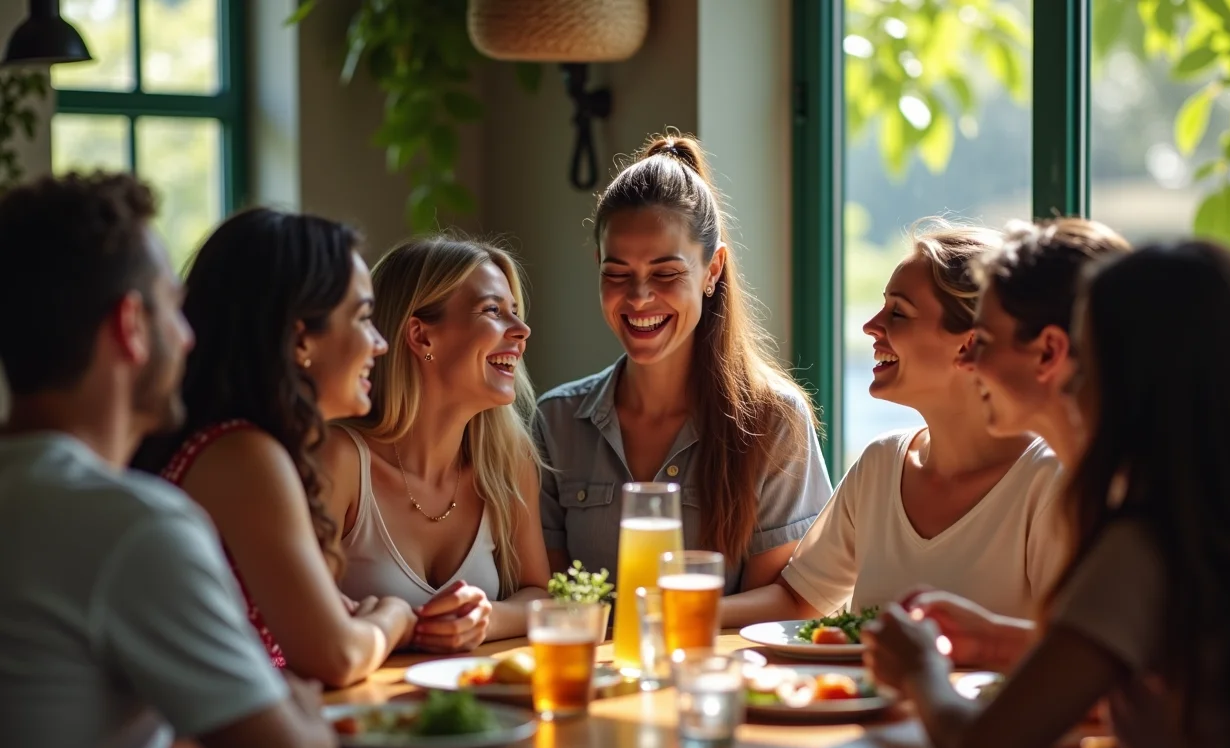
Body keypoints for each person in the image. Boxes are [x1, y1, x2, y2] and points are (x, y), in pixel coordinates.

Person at [864, 241, 1230, 748]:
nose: (1068, 379)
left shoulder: (1142, 547)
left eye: (1085, 359)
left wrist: (920, 669)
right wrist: (998, 643)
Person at [0, 173, 334, 748]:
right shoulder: (133, 527)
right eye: (174, 308)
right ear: (131, 326)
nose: (188, 338)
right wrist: (300, 708)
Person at [133, 208, 427, 687]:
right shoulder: (243, 456)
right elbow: (337, 656)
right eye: (363, 318)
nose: (380, 344)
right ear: (300, 339)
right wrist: (394, 616)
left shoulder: (236, 447)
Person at [723, 221, 1063, 628]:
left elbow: (1073, 649)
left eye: (898, 313)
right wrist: (668, 612)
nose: (871, 326)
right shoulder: (880, 465)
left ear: (970, 343)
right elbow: (797, 600)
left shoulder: (1048, 482)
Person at [536, 133, 832, 595]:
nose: (639, 297)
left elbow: (784, 603)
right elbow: (549, 595)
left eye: (666, 273)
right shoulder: (555, 422)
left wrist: (657, 621)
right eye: (617, 273)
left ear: (712, 269)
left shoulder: (774, 421)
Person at [903, 217, 1131, 671]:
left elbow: (1002, 733)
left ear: (1049, 352)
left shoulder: (1124, 517)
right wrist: (990, 639)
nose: (967, 360)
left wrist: (918, 668)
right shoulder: (1105, 488)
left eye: (984, 340)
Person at [321, 236, 548, 647]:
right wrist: (411, 627)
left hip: (475, 690)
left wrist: (486, 619)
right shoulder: (341, 460)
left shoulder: (508, 459)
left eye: (515, 312)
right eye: (493, 310)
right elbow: (300, 619)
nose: (522, 330)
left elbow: (540, 594)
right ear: (421, 336)